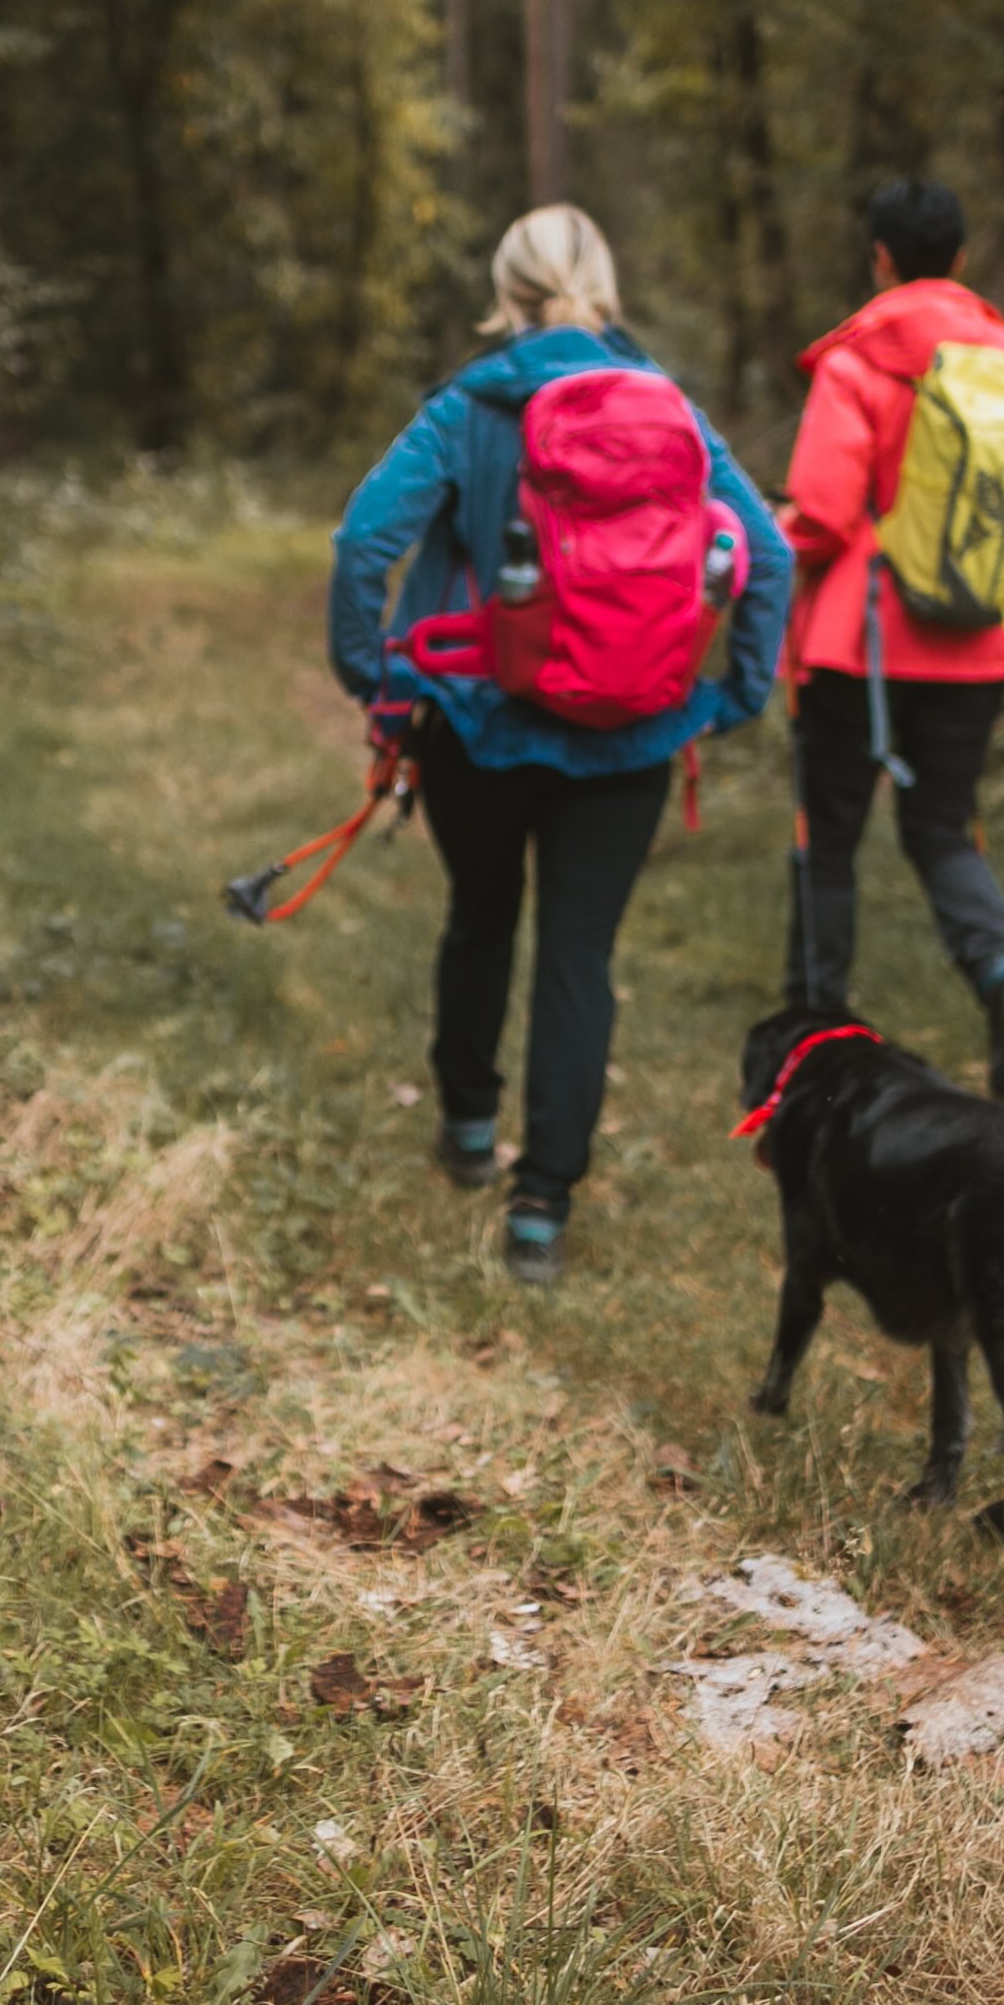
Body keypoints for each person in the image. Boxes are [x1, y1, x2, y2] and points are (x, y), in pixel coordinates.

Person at [329, 205, 793, 1284]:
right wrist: (733, 695)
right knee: (580, 954)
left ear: (508, 289)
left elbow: (364, 540)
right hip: (631, 736)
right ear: (606, 283)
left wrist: (377, 675)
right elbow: (763, 551)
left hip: (478, 728)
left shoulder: (469, 405)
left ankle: (469, 1128)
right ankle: (542, 1209)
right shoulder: (668, 406)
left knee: (481, 919)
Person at [778, 177, 1004, 1097]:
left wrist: (771, 539)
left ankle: (817, 1034)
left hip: (860, 643)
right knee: (943, 825)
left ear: (880, 257)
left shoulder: (856, 361)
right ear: (960, 256)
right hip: (984, 636)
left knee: (827, 834)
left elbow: (824, 515)